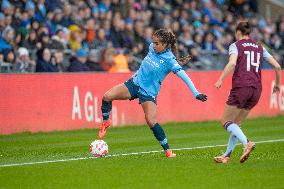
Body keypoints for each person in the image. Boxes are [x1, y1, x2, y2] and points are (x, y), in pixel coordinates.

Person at [98, 29, 207, 158]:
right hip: (134, 84)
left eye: (157, 44)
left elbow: (185, 77)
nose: (153, 46)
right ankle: (106, 122)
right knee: (107, 96)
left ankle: (168, 151)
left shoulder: (170, 61)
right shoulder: (151, 48)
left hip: (148, 93)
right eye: (153, 42)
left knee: (151, 121)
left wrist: (196, 93)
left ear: (165, 45)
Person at [214, 21, 281, 164]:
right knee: (236, 124)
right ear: (249, 33)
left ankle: (247, 143)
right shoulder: (259, 47)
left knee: (225, 121)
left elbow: (232, 63)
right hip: (256, 89)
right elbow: (277, 65)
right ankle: (226, 156)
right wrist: (277, 84)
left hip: (241, 86)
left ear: (238, 32)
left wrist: (220, 79)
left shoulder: (235, 45)